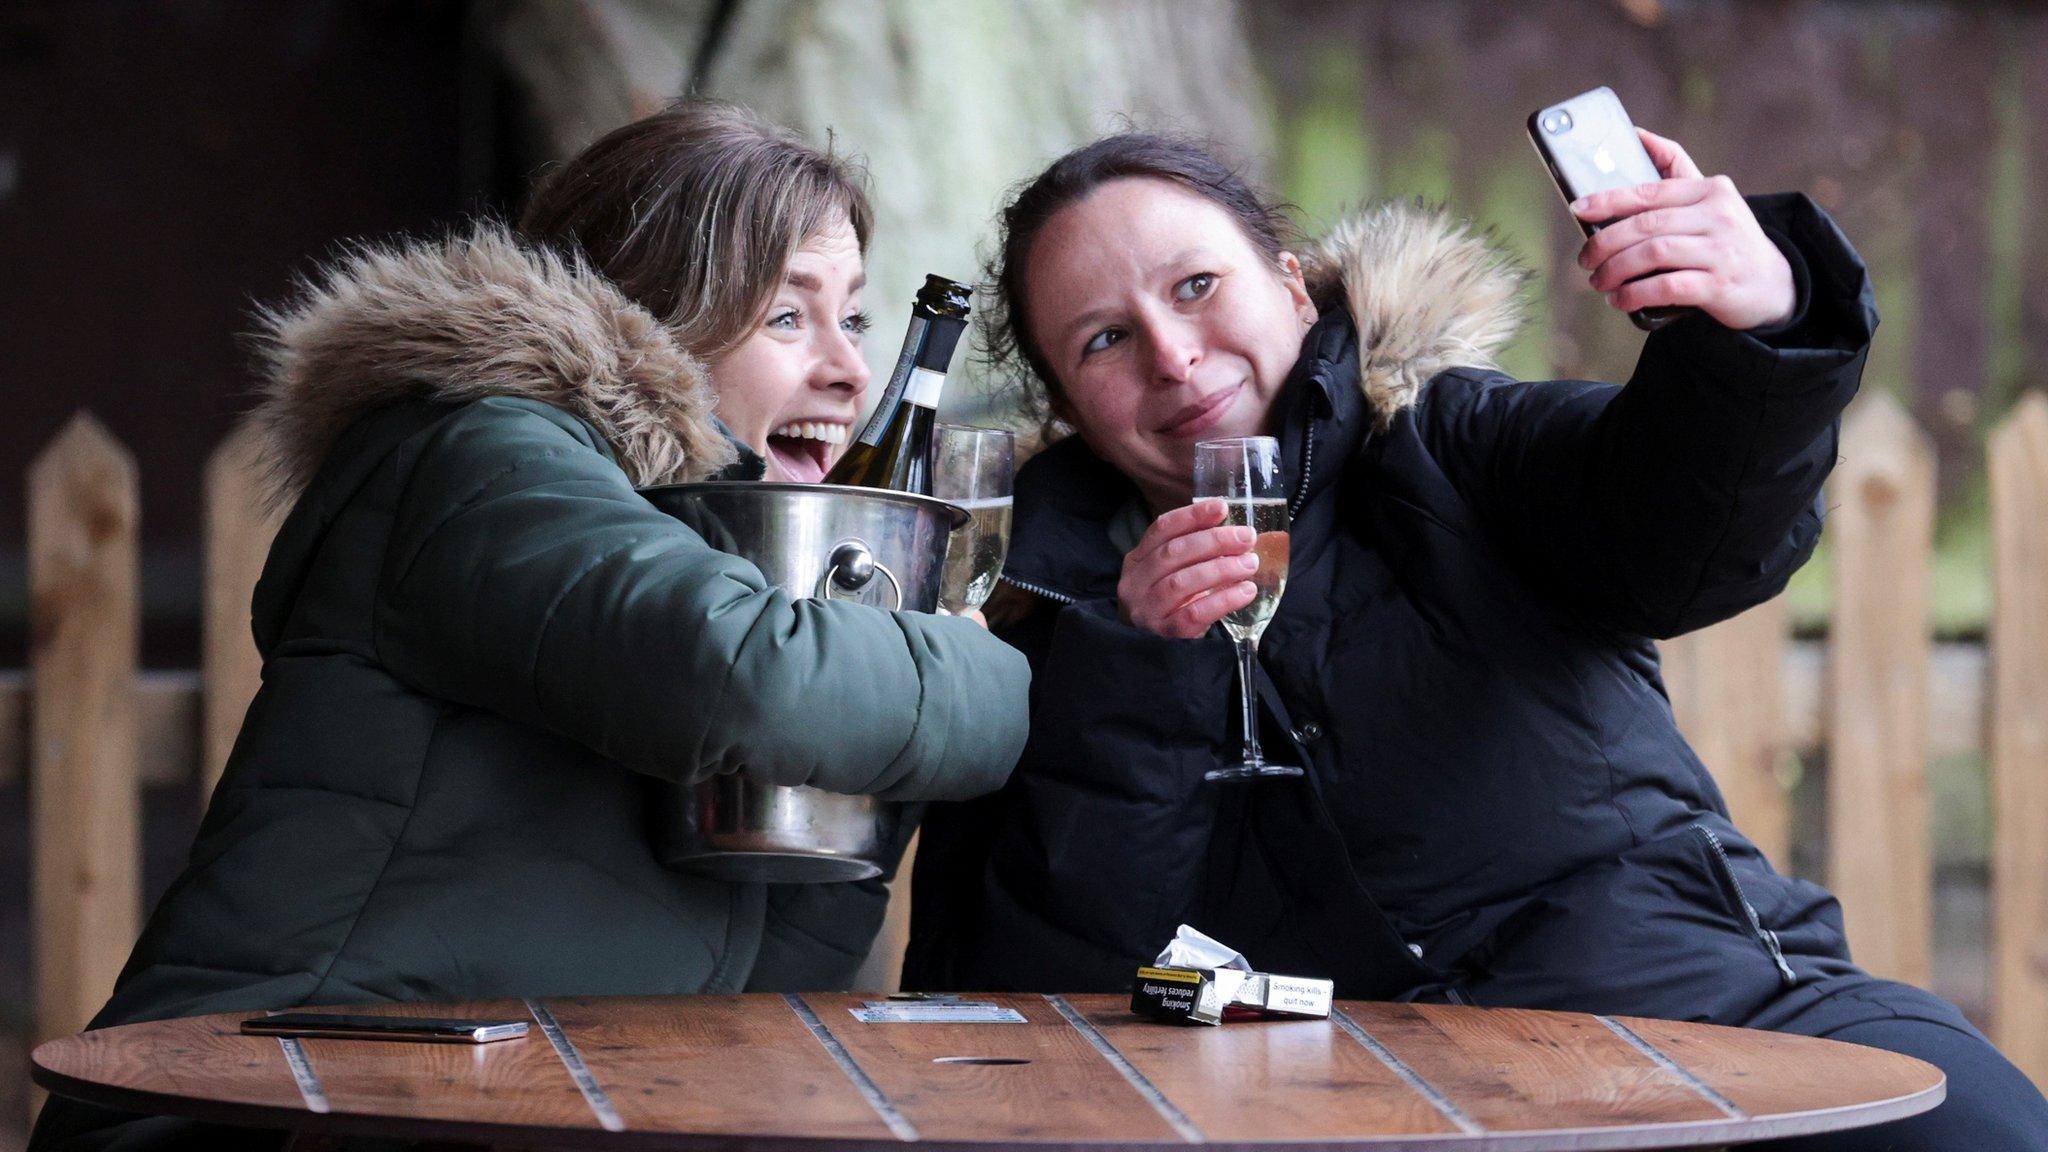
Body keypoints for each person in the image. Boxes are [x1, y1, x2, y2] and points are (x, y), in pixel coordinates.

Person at [906, 130, 2048, 1149]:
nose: (1169, 352)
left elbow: (1689, 531)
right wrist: (1139, 665)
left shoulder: (1450, 443)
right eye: (1104, 337)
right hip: (1365, 1104)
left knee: (1975, 1126)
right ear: (1066, 402)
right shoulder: (1029, 611)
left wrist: (1756, 332)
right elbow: (1035, 997)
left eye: (1197, 285)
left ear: (1294, 292)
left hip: (1705, 1008)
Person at [31, 100, 1030, 1151]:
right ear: (650, 320)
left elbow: (767, 975)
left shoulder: (708, 555)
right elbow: (747, 683)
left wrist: (878, 730)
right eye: (788, 317)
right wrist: (979, 669)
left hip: (469, 1110)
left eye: (854, 318)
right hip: (251, 1113)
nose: (848, 371)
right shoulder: (478, 453)